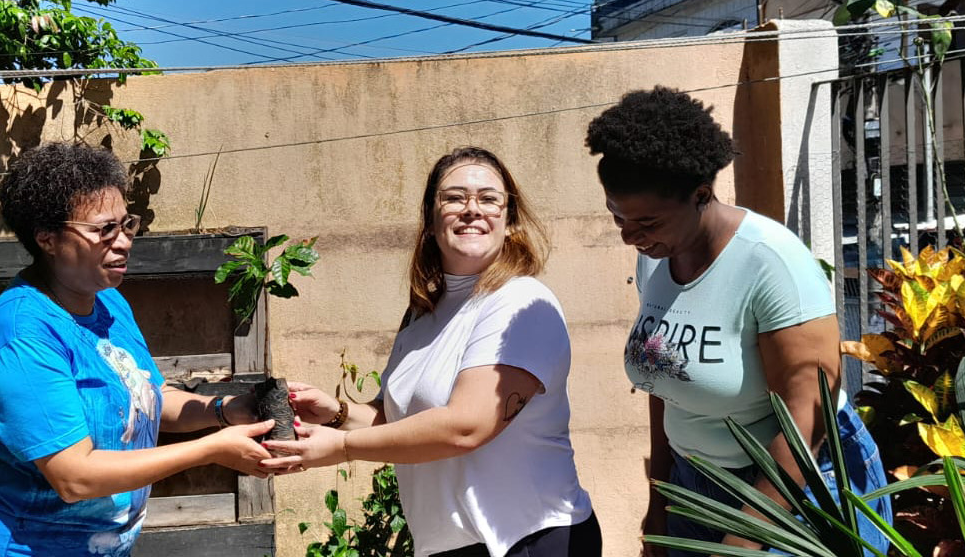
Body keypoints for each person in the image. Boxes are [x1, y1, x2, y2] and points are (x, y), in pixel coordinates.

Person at [584, 86, 892, 557]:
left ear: (701, 195)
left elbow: (808, 419)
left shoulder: (770, 263)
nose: (630, 237)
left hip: (800, 487)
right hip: (697, 486)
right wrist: (661, 497)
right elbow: (664, 382)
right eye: (617, 216)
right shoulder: (658, 257)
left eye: (646, 222)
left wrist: (745, 537)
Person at [262, 146, 601, 557]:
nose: (472, 209)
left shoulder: (520, 303)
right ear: (431, 219)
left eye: (489, 199)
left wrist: (340, 448)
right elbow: (397, 418)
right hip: (449, 546)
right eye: (454, 197)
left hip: (525, 540)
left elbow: (465, 427)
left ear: (509, 221)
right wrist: (337, 413)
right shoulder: (421, 316)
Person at [0, 142, 276, 557]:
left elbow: (147, 396)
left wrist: (223, 410)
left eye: (127, 225)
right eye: (104, 229)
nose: (123, 242)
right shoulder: (22, 335)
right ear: (47, 238)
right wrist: (211, 449)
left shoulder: (108, 303)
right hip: (24, 546)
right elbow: (75, 477)